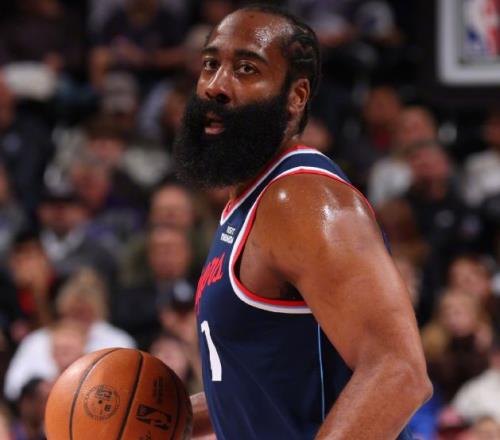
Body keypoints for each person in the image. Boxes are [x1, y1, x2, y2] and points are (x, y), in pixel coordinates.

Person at [173, 4, 431, 439]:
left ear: (296, 96)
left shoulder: (301, 199)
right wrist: (158, 415)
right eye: (211, 64)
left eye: (247, 69)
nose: (216, 85)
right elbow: (262, 387)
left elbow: (398, 372)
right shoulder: (249, 202)